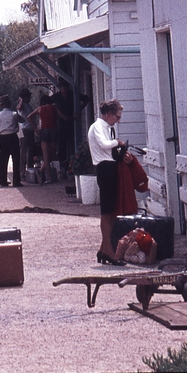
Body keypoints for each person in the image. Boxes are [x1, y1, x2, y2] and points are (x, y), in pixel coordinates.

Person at [88, 99, 131, 266]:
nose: (118, 120)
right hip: (104, 168)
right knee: (106, 213)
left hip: (110, 167)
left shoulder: (108, 128)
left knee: (112, 211)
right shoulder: (98, 127)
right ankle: (109, 252)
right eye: (117, 117)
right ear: (108, 114)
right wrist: (118, 143)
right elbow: (104, 144)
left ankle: (103, 249)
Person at [51, 78, 91, 171]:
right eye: (62, 87)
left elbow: (86, 99)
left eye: (65, 87)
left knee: (73, 143)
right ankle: (62, 166)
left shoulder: (72, 94)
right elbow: (48, 103)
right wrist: (57, 113)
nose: (64, 89)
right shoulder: (56, 97)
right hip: (61, 123)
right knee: (61, 144)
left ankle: (73, 164)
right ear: (60, 88)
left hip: (72, 121)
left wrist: (79, 110)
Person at [27, 94, 62, 184]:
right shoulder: (54, 107)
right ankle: (45, 174)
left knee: (46, 155)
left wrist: (35, 128)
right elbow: (62, 116)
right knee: (52, 152)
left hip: (44, 131)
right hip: (53, 130)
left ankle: (44, 173)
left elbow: (29, 117)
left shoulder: (40, 108)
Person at [0, 95, 25, 188]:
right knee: (16, 159)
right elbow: (22, 120)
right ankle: (16, 181)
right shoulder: (14, 114)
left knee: (3, 160)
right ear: (9, 104)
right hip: (12, 137)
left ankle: (3, 181)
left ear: (1, 105)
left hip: (3, 138)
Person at [16, 88, 37, 179]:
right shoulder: (22, 106)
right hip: (24, 130)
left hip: (30, 130)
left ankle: (30, 169)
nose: (30, 98)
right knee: (23, 151)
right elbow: (18, 108)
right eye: (28, 96)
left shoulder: (28, 106)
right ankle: (21, 172)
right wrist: (20, 100)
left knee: (30, 151)